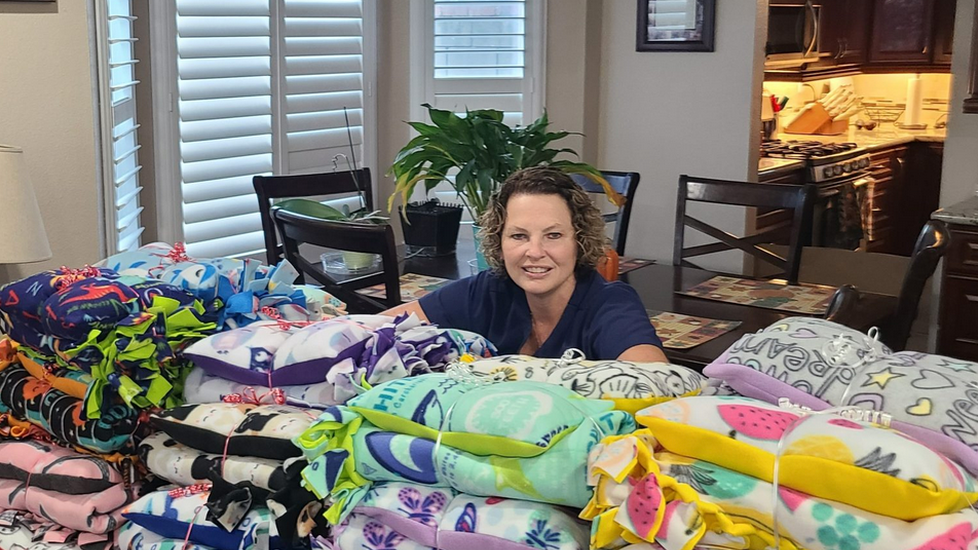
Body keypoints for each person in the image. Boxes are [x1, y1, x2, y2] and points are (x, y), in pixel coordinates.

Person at [384, 166, 668, 362]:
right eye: (519, 235)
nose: (534, 251)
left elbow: (656, 382)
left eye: (553, 235)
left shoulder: (609, 304)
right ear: (499, 240)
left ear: (578, 239)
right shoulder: (488, 291)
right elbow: (378, 327)